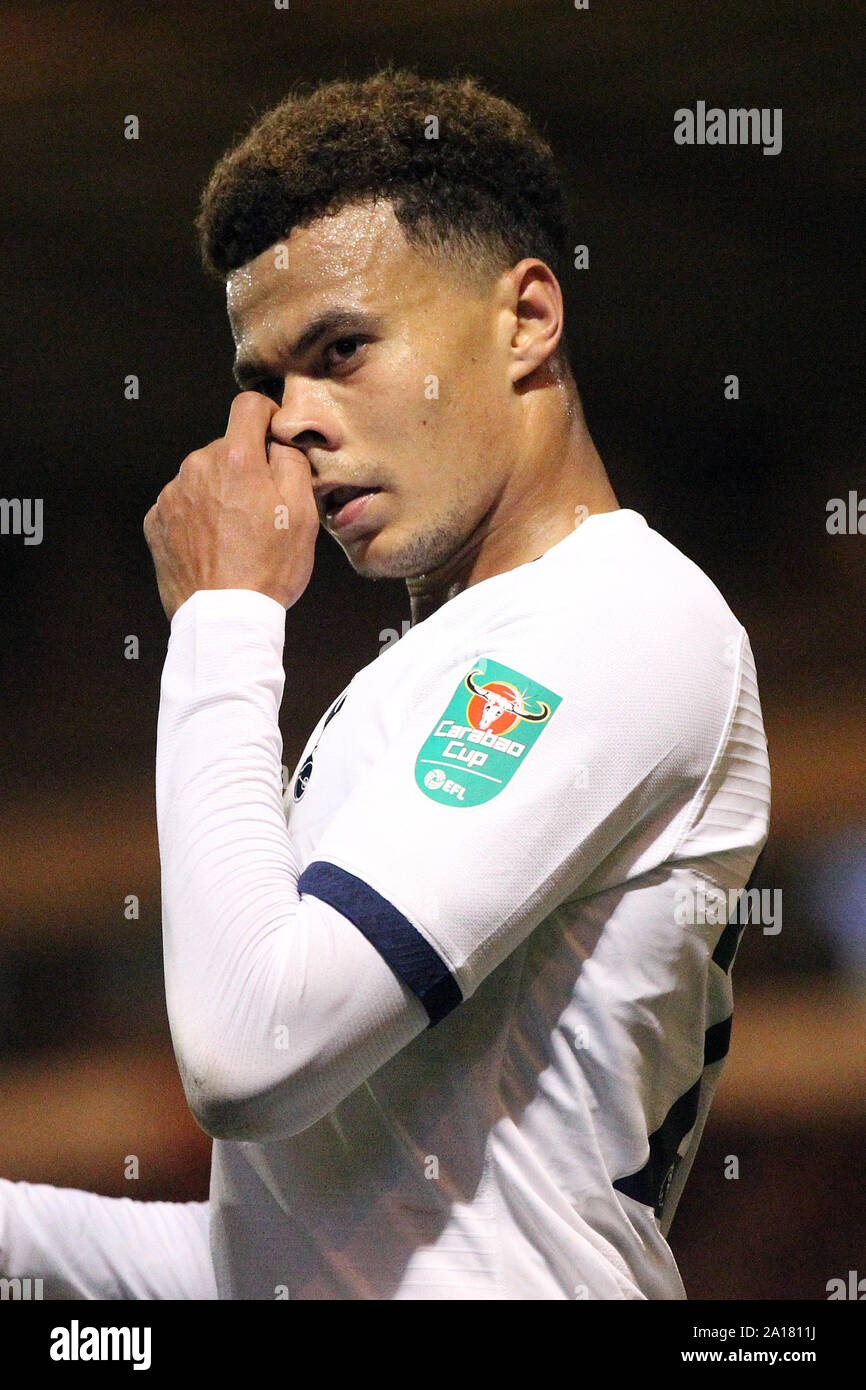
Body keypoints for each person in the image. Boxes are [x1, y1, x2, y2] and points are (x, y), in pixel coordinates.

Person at [0, 70, 770, 1300]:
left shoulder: (617, 615)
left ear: (525, 319)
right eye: (268, 380)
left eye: (341, 349)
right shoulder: (435, 668)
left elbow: (252, 1055)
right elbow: (282, 1266)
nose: (292, 419)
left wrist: (220, 620)